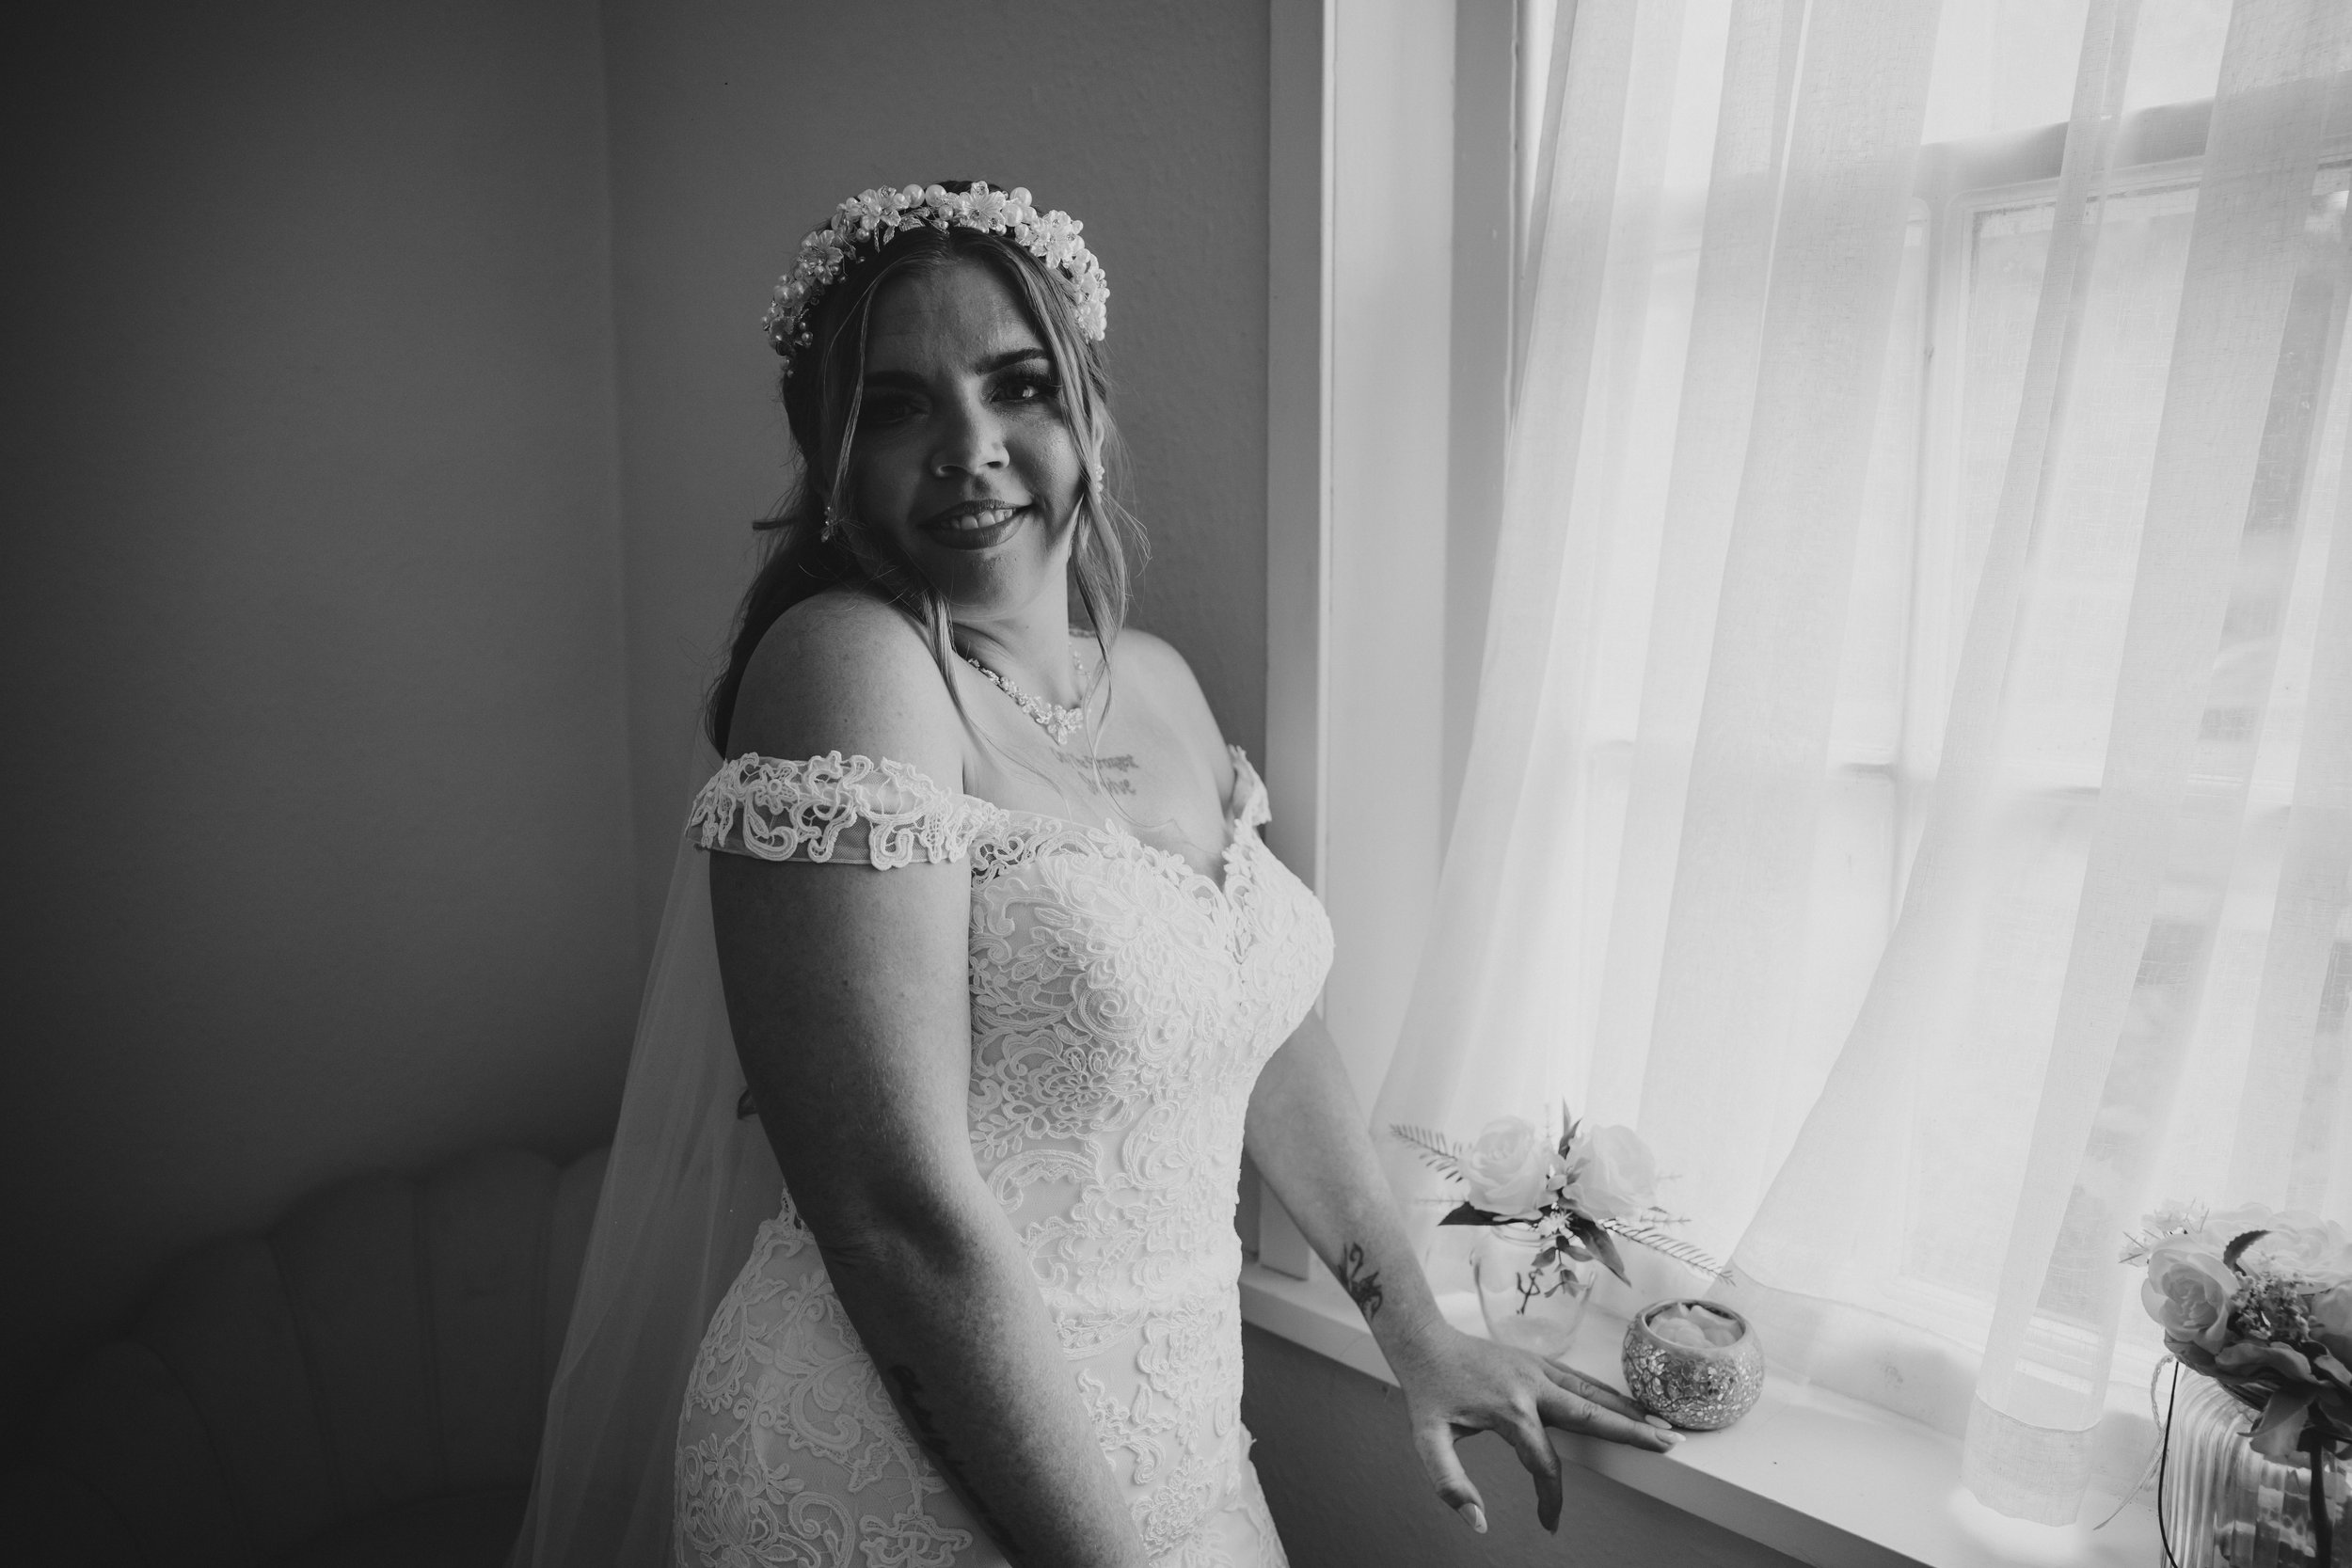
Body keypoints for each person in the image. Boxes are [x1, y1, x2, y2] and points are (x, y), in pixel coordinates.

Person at [514, 181, 1678, 1568]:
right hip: (905, 1468)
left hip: (1183, 1442)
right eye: (897, 408)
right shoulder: (852, 668)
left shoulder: (1160, 683)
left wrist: (1417, 1332)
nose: (971, 450)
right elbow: (892, 1219)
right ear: (830, 454)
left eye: (1019, 387)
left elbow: (1260, 1028)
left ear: (1089, 416)